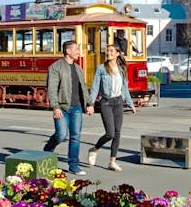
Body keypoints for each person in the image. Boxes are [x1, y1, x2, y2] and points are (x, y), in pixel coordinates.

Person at [43, 41, 94, 175]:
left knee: (75, 136)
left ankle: (73, 165)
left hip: (76, 107)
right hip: (62, 107)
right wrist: (55, 107)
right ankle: (48, 148)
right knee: (61, 135)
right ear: (67, 51)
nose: (79, 52)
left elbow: (83, 87)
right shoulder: (55, 67)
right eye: (76, 49)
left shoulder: (78, 68)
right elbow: (52, 89)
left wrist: (89, 104)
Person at [87, 44, 136, 172]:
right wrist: (90, 104)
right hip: (106, 103)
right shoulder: (101, 68)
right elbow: (95, 87)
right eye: (107, 51)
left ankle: (112, 162)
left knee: (117, 133)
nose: (108, 53)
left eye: (111, 51)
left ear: (117, 53)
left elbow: (124, 88)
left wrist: (131, 104)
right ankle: (94, 149)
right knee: (110, 133)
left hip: (118, 103)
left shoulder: (122, 69)